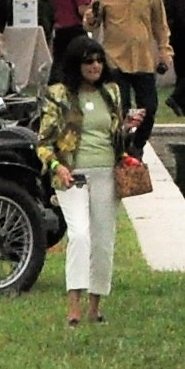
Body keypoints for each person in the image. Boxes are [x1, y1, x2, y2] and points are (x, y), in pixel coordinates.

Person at [40, 32, 134, 330]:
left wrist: (128, 127)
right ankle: (73, 308)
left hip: (107, 173)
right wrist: (57, 166)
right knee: (79, 235)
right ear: (75, 64)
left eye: (98, 60)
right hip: (72, 176)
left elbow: (116, 134)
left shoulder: (112, 92)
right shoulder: (59, 94)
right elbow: (43, 142)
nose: (95, 66)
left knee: (103, 241)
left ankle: (95, 306)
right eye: (88, 61)